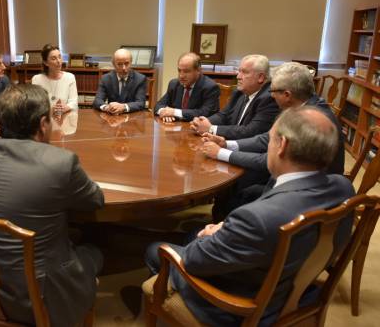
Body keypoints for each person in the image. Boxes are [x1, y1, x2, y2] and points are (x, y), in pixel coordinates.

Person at [145, 106, 355, 326]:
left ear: (282, 146)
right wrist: (227, 232)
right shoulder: (344, 188)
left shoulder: (257, 219)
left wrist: (209, 235)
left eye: (270, 140)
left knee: (156, 249)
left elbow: (193, 261)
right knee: (190, 234)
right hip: (295, 287)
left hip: (241, 307)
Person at [0, 84, 104, 327]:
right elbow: (95, 200)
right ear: (43, 123)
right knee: (94, 252)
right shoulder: (60, 162)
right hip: (38, 299)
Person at [202, 62, 346, 220]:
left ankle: (223, 228)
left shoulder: (309, 120)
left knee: (235, 190)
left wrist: (220, 153)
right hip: (305, 183)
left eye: (273, 90)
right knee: (235, 189)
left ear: (287, 95)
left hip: (303, 196)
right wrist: (227, 144)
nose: (270, 95)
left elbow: (269, 159)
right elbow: (266, 139)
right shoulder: (305, 106)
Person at [190, 54, 279, 139]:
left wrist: (211, 129)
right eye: (239, 71)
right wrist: (202, 123)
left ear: (261, 77)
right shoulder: (239, 93)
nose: (238, 76)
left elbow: (251, 131)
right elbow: (223, 116)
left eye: (244, 72)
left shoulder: (269, 98)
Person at [155, 52, 220, 122]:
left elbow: (205, 113)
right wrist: (163, 112)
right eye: (179, 70)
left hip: (196, 129)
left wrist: (174, 112)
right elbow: (159, 105)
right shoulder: (174, 84)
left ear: (198, 70)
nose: (181, 76)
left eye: (186, 71)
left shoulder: (210, 87)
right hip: (174, 127)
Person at [92, 48, 147, 113]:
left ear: (131, 62)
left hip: (132, 117)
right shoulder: (106, 78)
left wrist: (123, 107)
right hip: (112, 117)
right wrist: (106, 107)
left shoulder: (140, 79)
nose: (124, 68)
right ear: (114, 64)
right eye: (120, 64)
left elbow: (140, 103)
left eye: (126, 63)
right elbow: (97, 100)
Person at [31, 44, 78, 114]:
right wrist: (50, 109)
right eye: (54, 58)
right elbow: (35, 104)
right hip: (45, 117)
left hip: (64, 117)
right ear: (46, 63)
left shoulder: (70, 77)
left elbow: (74, 102)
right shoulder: (37, 79)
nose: (59, 61)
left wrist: (66, 107)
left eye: (59, 57)